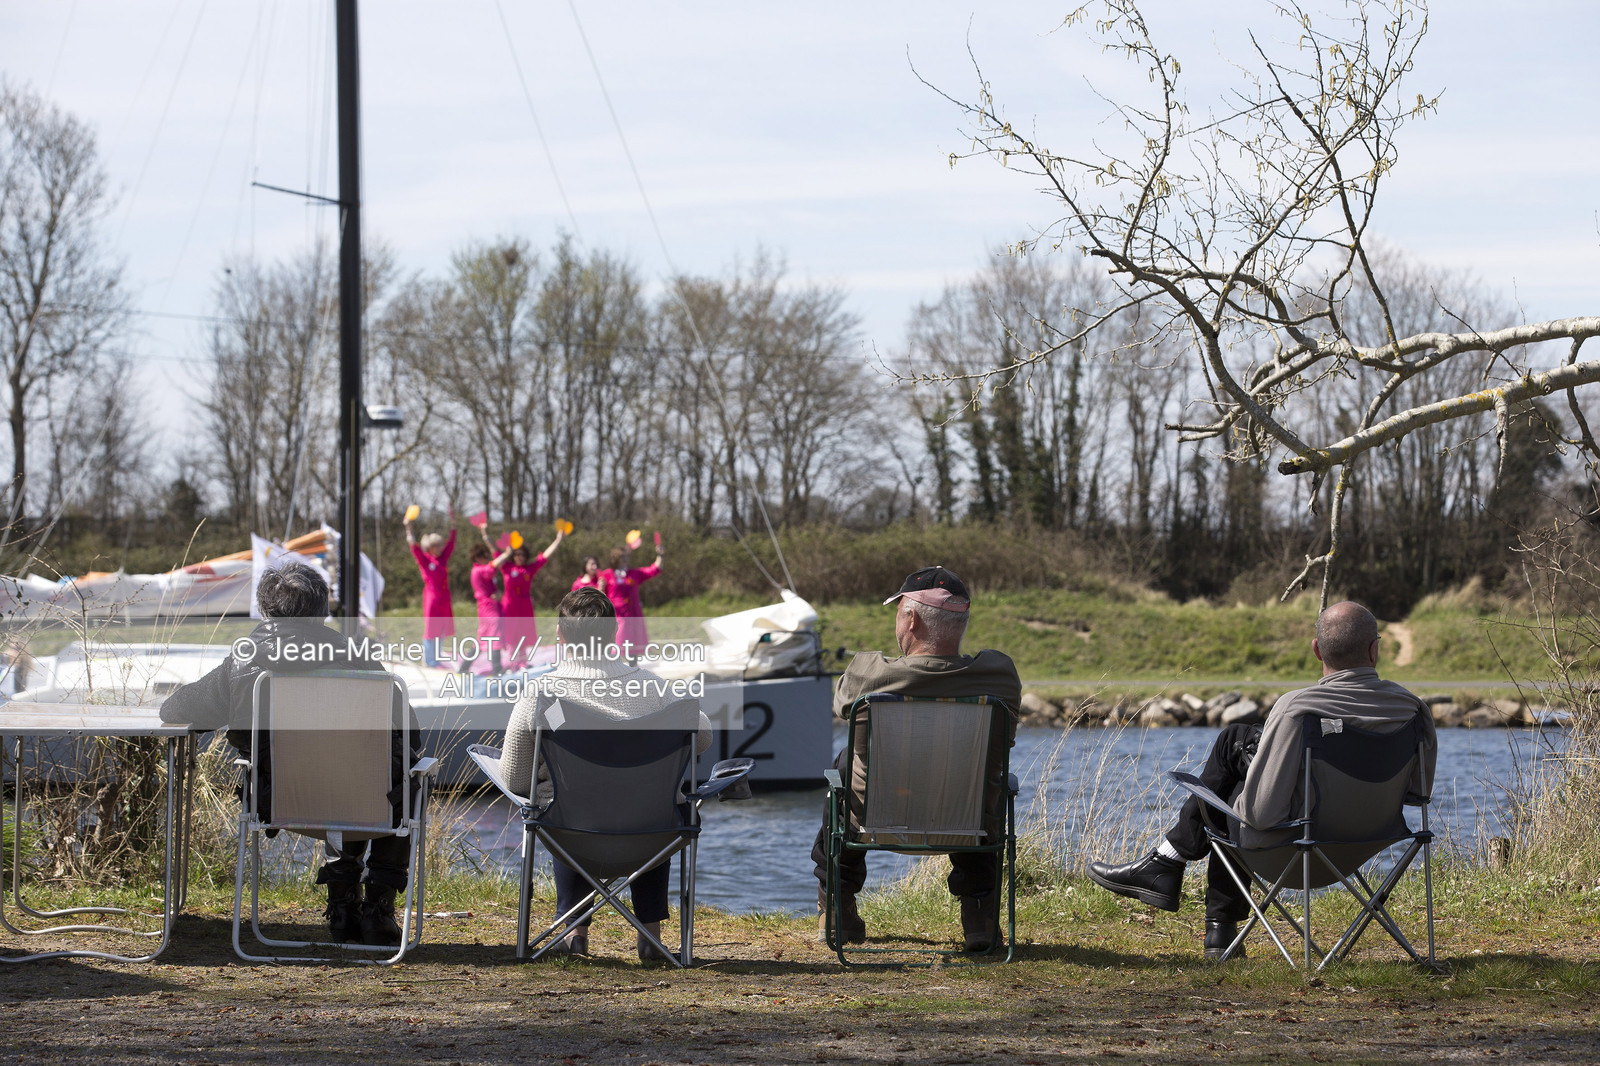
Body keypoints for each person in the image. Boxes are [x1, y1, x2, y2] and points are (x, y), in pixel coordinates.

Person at [1087, 601, 1437, 960]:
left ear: (1317, 650)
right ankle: (1200, 908)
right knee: (1237, 758)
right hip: (1366, 847)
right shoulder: (1412, 708)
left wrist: (1230, 799)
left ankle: (1174, 871)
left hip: (1298, 852)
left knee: (1227, 787)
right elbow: (1418, 793)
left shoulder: (1299, 709)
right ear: (1375, 649)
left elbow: (1260, 815)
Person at [159, 562, 420, 946]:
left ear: (265, 610)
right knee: (399, 779)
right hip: (365, 803)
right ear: (323, 610)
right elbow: (409, 735)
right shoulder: (360, 660)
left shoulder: (244, 662)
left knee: (344, 782)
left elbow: (173, 711)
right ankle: (377, 908)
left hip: (277, 799)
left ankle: (343, 906)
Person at [809, 565, 1022, 953]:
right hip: (967, 822)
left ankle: (836, 906)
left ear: (911, 619)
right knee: (979, 778)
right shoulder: (999, 677)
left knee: (842, 768)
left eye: (898, 612)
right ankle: (980, 917)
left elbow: (841, 703)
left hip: (875, 819)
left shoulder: (867, 675)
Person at [499, 586, 712, 961]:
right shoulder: (651, 687)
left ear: (561, 638)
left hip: (572, 835)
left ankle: (573, 931)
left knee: (566, 800)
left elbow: (516, 781)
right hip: (650, 837)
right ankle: (651, 935)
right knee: (649, 798)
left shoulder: (542, 694)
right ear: (614, 634)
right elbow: (703, 734)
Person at [500, 528, 565, 669]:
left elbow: (545, 557)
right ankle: (512, 663)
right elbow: (495, 552)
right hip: (509, 607)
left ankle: (522, 662)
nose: (520, 557)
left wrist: (558, 539)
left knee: (523, 634)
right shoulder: (506, 566)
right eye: (517, 554)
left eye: (523, 555)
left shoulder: (529, 569)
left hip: (524, 606)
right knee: (511, 635)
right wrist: (486, 535)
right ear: (513, 555)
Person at [405, 518, 457, 667]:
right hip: (432, 597)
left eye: (441, 545)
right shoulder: (425, 560)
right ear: (430, 547)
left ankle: (436, 658)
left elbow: (451, 545)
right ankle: (429, 660)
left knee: (441, 629)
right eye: (437, 545)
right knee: (431, 629)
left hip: (444, 598)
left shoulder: (442, 559)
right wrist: (408, 528)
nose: (440, 547)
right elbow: (413, 547)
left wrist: (453, 526)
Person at [599, 540, 662, 657]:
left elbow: (653, 569)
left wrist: (660, 555)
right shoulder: (607, 574)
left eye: (626, 556)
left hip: (634, 613)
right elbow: (600, 594)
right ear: (615, 558)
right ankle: (615, 672)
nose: (625, 559)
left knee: (634, 645)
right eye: (622, 556)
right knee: (617, 643)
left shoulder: (633, 573)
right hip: (617, 615)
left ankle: (633, 671)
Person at [469, 536, 512, 677]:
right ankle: (497, 670)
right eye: (484, 556)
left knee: (483, 639)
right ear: (477, 557)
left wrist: (497, 593)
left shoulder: (479, 570)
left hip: (488, 607)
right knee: (495, 637)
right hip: (488, 609)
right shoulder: (478, 570)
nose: (487, 558)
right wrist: (506, 554)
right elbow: (493, 565)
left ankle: (463, 668)